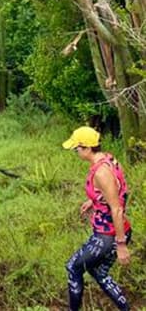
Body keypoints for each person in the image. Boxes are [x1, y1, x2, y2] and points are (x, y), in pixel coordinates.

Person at [63, 126, 131, 311]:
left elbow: (116, 208)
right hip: (116, 229)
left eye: (77, 148)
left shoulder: (101, 173)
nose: (76, 152)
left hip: (108, 235)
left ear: (86, 148)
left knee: (72, 267)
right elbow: (118, 189)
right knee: (99, 272)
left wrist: (121, 244)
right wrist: (93, 200)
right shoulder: (109, 159)